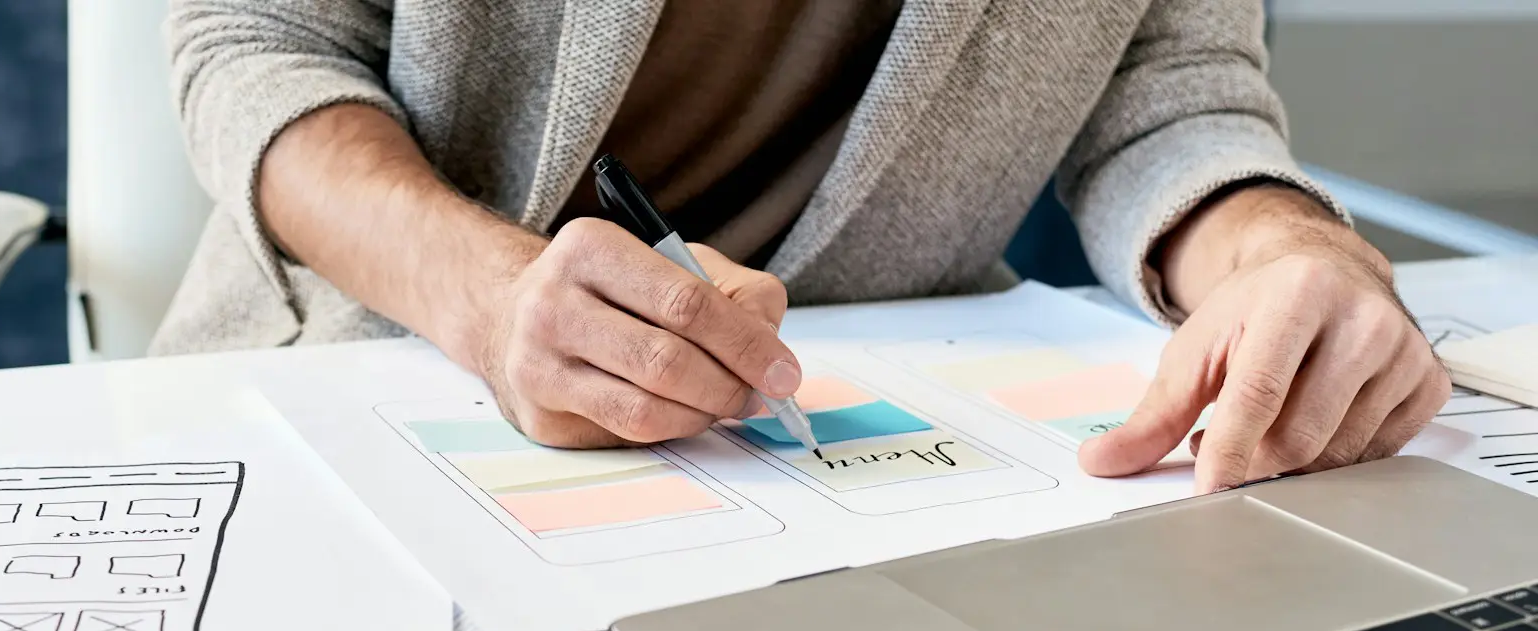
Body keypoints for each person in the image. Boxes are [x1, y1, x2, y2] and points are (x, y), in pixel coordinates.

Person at [150, 0, 1450, 495]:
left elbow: (1176, 101)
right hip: (371, 371)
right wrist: (491, 301)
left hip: (854, 448)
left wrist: (1290, 256)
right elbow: (256, 48)